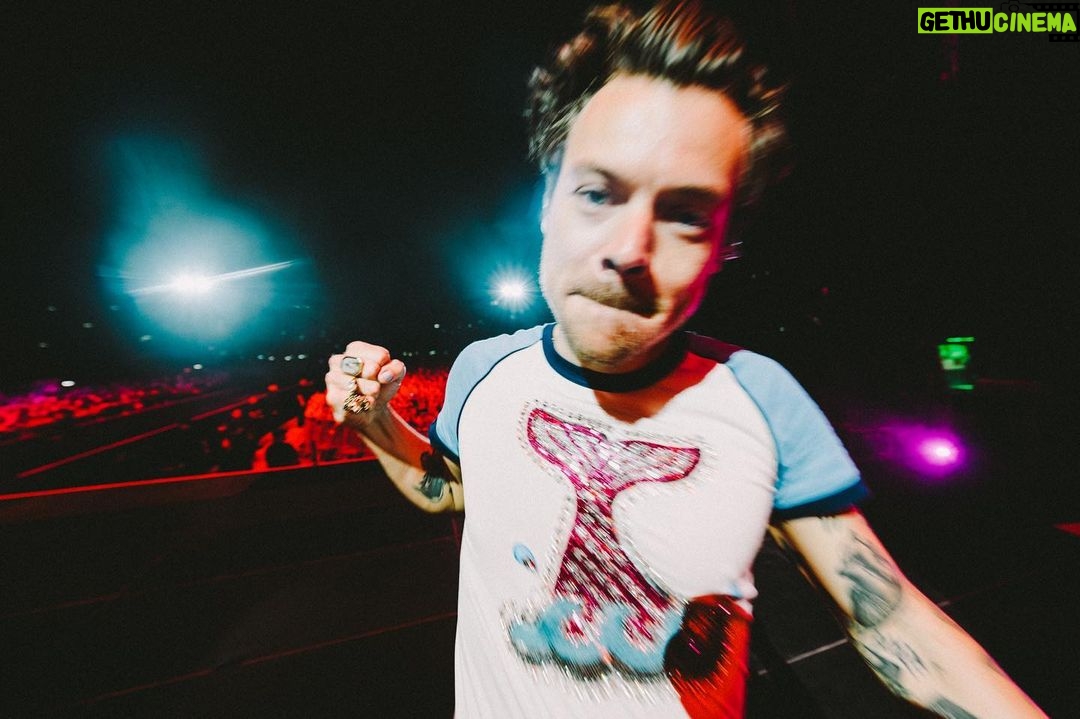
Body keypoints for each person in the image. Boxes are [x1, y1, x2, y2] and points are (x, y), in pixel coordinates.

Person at [324, 2, 1047, 716]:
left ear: (723, 246)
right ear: (548, 201)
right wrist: (372, 420)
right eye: (597, 193)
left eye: (685, 216)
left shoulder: (759, 400)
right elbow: (452, 489)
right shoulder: (484, 371)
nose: (629, 249)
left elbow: (893, 621)